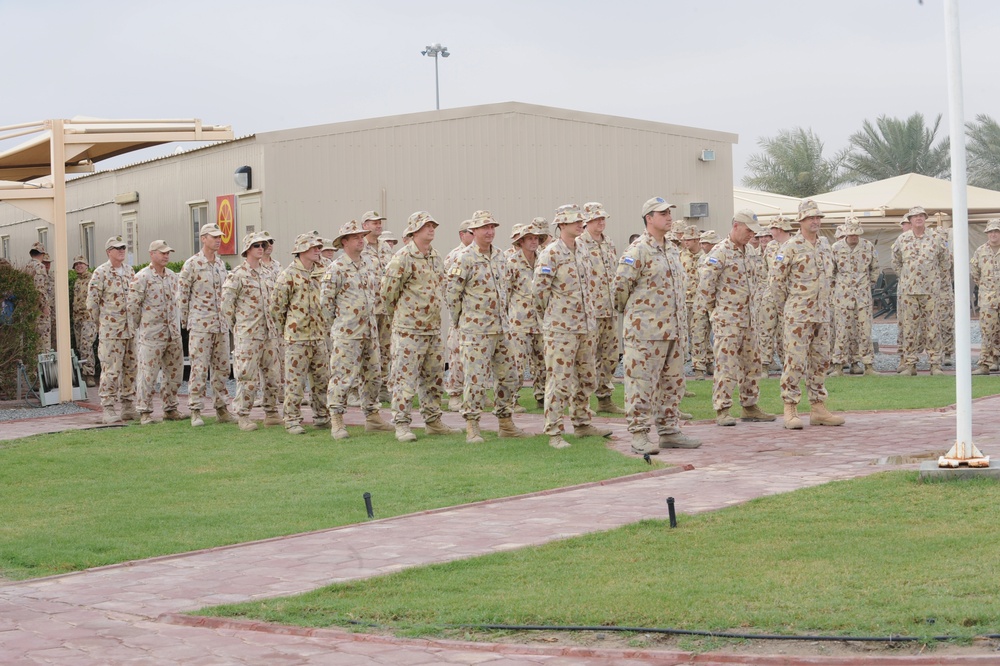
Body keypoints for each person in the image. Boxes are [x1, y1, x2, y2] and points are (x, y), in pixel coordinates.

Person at [614, 197, 701, 453]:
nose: (668, 217)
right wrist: (636, 315)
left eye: (669, 212)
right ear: (648, 218)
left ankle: (669, 430)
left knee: (673, 384)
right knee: (640, 384)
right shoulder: (637, 250)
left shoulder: (672, 249)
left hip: (673, 331)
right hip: (645, 333)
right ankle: (639, 434)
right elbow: (620, 290)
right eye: (662, 213)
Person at [445, 210, 530, 443]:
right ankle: (473, 426)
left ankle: (505, 422)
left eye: (492, 227)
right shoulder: (464, 258)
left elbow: (508, 289)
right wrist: (460, 320)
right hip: (476, 330)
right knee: (476, 381)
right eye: (485, 228)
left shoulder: (502, 257)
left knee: (509, 376)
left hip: (502, 329)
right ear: (474, 231)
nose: (490, 231)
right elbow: (452, 294)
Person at [533, 204, 612, 449]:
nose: (580, 224)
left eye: (581, 221)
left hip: (586, 326)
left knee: (588, 377)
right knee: (560, 381)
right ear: (561, 225)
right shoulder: (551, 253)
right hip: (561, 328)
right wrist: (552, 318)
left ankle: (582, 422)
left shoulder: (583, 251)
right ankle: (555, 432)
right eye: (574, 221)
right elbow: (539, 293)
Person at [381, 211, 460, 441]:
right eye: (426, 226)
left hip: (432, 330)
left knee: (434, 378)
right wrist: (401, 317)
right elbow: (387, 295)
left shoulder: (435, 256)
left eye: (433, 225)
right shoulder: (402, 258)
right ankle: (402, 424)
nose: (431, 229)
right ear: (414, 230)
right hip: (408, 331)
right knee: (404, 379)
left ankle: (433, 420)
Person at [697, 210, 776, 427]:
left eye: (754, 231)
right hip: (728, 320)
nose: (752, 235)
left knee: (752, 365)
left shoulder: (750, 251)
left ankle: (750, 406)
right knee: (726, 365)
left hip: (749, 319)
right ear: (735, 227)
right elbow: (705, 288)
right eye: (748, 230)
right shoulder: (719, 252)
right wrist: (717, 312)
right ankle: (722, 409)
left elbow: (757, 280)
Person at [770, 200, 844, 429]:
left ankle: (818, 408)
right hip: (798, 315)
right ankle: (790, 408)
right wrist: (789, 308)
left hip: (821, 314)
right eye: (811, 218)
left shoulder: (824, 245)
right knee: (795, 362)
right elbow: (776, 283)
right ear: (800, 221)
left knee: (821, 361)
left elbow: (832, 276)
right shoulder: (790, 247)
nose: (816, 221)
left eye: (818, 217)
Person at [321, 219, 394, 438]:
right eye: (355, 238)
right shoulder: (336, 268)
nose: (361, 241)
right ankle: (336, 419)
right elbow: (326, 304)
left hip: (370, 330)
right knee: (342, 377)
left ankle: (372, 416)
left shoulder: (368, 264)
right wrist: (338, 326)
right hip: (347, 333)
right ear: (344, 242)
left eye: (362, 237)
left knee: (372, 375)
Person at [270, 233, 331, 434]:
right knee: (295, 382)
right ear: (302, 250)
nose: (318, 250)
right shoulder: (288, 275)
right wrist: (287, 330)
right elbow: (277, 308)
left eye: (318, 247)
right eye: (313, 247)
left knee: (322, 379)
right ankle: (292, 419)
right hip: (297, 338)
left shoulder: (322, 271)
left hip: (319, 337)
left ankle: (322, 417)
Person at [222, 232, 283, 431]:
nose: (260, 248)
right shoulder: (238, 274)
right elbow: (226, 306)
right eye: (256, 245)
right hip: (248, 335)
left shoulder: (268, 272)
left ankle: (272, 412)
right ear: (247, 249)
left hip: (269, 333)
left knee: (273, 375)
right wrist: (239, 327)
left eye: (263, 245)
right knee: (247, 376)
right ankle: (243, 415)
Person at [178, 223, 233, 426]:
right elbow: (182, 295)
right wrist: (186, 321)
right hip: (201, 324)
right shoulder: (192, 264)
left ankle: (221, 408)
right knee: (199, 368)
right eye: (213, 237)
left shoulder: (220, 264)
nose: (218, 240)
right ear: (203, 238)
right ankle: (196, 410)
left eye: (219, 237)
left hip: (220, 325)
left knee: (222, 368)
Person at [128, 240, 185, 425]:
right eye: (162, 253)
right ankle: (145, 412)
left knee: (174, 374)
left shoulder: (172, 276)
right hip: (151, 334)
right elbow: (133, 307)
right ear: (152, 254)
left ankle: (170, 409)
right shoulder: (142, 277)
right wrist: (141, 328)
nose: (166, 256)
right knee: (147, 375)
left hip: (172, 334)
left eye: (168, 253)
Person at [891, 206, 950, 376]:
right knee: (909, 328)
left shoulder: (936, 238)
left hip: (931, 291)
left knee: (933, 328)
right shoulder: (902, 239)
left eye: (921, 216)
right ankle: (910, 364)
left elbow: (945, 262)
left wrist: (933, 278)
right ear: (909, 220)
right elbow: (896, 262)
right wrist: (907, 276)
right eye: (915, 216)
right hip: (909, 291)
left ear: (925, 219)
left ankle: (935, 364)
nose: (918, 218)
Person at [579, 202, 625, 415]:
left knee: (610, 356)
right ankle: (582, 402)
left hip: (609, 309)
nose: (601, 222)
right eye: (597, 219)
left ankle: (605, 398)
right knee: (586, 357)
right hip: (589, 311)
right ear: (586, 221)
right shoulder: (579, 244)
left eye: (603, 218)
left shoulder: (609, 243)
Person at [86, 236, 137, 424]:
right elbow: (92, 303)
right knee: (111, 370)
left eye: (123, 247)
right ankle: (108, 408)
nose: (121, 250)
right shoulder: (101, 273)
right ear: (109, 252)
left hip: (130, 329)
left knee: (131, 368)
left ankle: (128, 406)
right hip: (111, 331)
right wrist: (102, 324)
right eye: (117, 248)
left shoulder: (130, 271)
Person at [505, 222, 547, 411]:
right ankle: (511, 400)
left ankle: (543, 397)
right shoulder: (512, 263)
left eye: (536, 238)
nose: (533, 242)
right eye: (529, 238)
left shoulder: (543, 260)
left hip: (541, 321)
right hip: (519, 322)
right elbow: (505, 292)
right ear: (520, 242)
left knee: (543, 363)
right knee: (517, 364)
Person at [830, 218, 879, 376]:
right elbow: (830, 272)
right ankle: (838, 365)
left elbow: (875, 269)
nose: (854, 237)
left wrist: (868, 285)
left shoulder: (867, 246)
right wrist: (837, 288)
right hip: (842, 297)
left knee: (864, 331)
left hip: (862, 297)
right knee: (841, 332)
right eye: (851, 234)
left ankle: (868, 365)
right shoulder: (836, 248)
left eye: (856, 234)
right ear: (846, 233)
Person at [361, 211, 395, 402]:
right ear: (365, 225)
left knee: (385, 348)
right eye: (374, 223)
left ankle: (383, 387)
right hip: (368, 309)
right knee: (367, 349)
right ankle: (360, 390)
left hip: (385, 308)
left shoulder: (385, 247)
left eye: (379, 222)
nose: (378, 225)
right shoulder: (360, 247)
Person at [443, 219, 475, 412]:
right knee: (456, 352)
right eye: (470, 232)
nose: (473, 236)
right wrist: (456, 314)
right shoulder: (455, 256)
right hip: (460, 313)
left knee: (474, 355)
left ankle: (473, 391)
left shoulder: (481, 254)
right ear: (462, 235)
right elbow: (449, 288)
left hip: (477, 315)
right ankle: (454, 393)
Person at [759, 217, 794, 375]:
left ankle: (788, 364)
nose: (768, 233)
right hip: (770, 294)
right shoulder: (771, 247)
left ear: (779, 229)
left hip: (789, 295)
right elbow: (765, 270)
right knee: (765, 329)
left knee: (786, 332)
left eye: (772, 229)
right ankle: (764, 364)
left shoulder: (795, 245)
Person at [970, 218, 1000, 375]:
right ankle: (985, 364)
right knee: (987, 331)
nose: (993, 234)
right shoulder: (980, 251)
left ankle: (996, 359)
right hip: (988, 298)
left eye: (996, 231)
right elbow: (975, 273)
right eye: (991, 232)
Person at [71, 256, 97, 387]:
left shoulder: (92, 280)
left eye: (81, 264)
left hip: (89, 318)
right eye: (76, 265)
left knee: (86, 345)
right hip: (78, 319)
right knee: (80, 347)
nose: (79, 266)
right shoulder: (77, 281)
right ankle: (83, 373)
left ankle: (90, 375)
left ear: (86, 265)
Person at [25, 242, 51, 349]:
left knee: (32, 344)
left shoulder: (26, 266)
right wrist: (44, 306)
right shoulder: (39, 266)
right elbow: (39, 289)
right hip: (39, 312)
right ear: (42, 254)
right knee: (43, 345)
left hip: (29, 310)